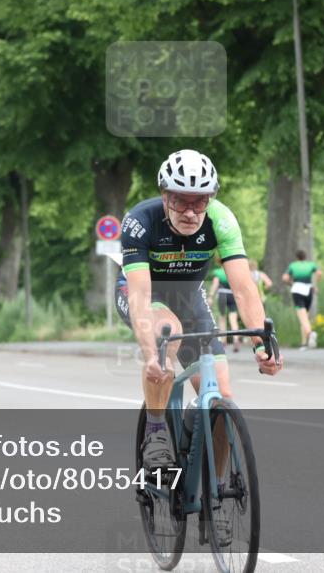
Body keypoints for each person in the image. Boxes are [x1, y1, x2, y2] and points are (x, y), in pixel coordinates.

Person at [115, 149, 282, 476]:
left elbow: (244, 288)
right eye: (180, 201)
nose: (191, 212)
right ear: (165, 196)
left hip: (189, 298)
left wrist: (262, 343)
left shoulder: (222, 220)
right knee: (168, 331)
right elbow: (139, 296)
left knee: (221, 400)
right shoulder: (140, 220)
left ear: (211, 199)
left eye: (200, 201)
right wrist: (151, 355)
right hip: (144, 295)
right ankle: (155, 431)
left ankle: (213, 498)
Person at [282, 250, 322, 349]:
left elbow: (285, 278)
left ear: (297, 257)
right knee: (305, 317)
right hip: (309, 290)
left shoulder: (293, 266)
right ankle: (304, 343)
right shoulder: (311, 265)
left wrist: (291, 283)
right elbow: (319, 273)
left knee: (302, 317)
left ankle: (310, 333)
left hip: (297, 290)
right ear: (305, 256)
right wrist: (315, 284)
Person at [208, 257, 241, 353]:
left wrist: (210, 296)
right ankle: (236, 340)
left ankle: (223, 341)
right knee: (233, 319)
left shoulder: (218, 272)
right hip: (232, 294)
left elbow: (215, 285)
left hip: (222, 295)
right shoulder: (234, 272)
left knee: (222, 319)